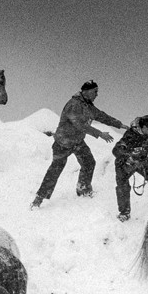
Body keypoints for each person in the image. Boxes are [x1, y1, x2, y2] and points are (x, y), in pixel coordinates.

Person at [31, 80, 127, 209]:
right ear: (86, 92)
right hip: (63, 143)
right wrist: (99, 134)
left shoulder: (88, 106)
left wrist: (119, 124)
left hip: (77, 142)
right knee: (55, 170)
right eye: (95, 91)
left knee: (89, 162)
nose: (97, 94)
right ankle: (38, 199)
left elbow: (102, 116)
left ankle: (83, 188)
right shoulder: (74, 104)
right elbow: (80, 125)